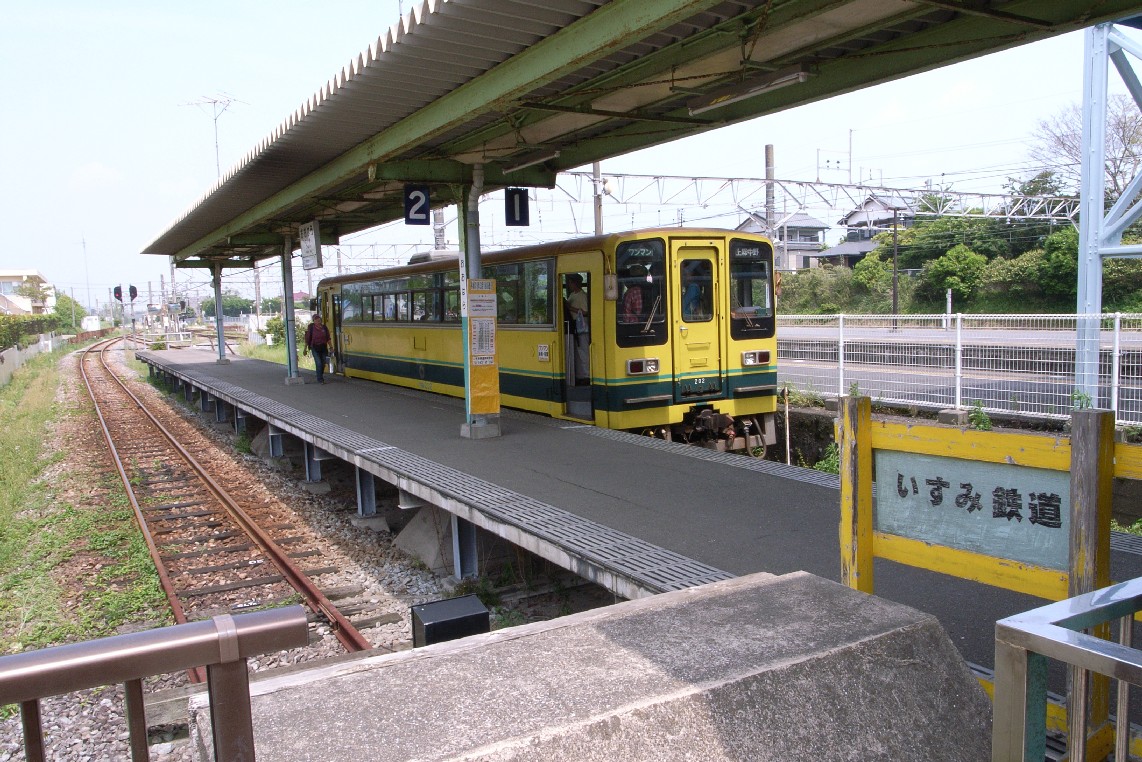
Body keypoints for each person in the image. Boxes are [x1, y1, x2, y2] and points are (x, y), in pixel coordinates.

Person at [564, 273, 590, 385]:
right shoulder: (572, 295)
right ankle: (580, 375)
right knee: (578, 351)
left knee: (583, 351)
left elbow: (585, 312)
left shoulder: (582, 296)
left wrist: (570, 308)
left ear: (575, 283)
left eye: (570, 283)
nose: (569, 285)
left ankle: (587, 375)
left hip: (582, 326)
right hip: (574, 326)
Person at [303, 314, 331, 384]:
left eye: (319, 320)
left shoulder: (324, 328)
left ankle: (320, 374)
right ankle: (320, 379)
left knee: (323, 363)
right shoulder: (311, 329)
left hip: (323, 347)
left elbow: (328, 338)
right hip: (315, 347)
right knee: (318, 363)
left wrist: (331, 347)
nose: (318, 321)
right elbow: (307, 339)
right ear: (314, 321)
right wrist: (305, 349)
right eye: (316, 320)